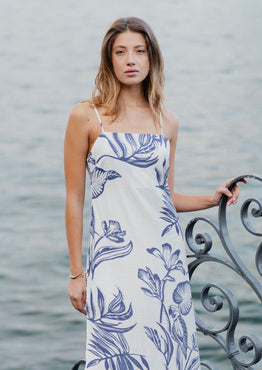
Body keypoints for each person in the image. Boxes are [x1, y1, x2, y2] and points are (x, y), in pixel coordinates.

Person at [64, 17, 243, 370]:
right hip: (113, 261)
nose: (131, 60)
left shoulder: (167, 121)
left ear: (151, 59)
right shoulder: (86, 117)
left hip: (163, 261)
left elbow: (164, 196)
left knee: (167, 353)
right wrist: (76, 273)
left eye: (139, 51)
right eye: (121, 52)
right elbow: (74, 199)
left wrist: (213, 198)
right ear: (109, 60)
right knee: (117, 353)